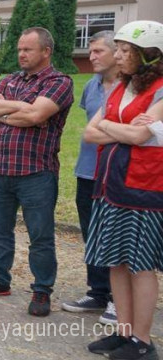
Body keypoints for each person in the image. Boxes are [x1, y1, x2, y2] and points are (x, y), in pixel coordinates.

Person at [0, 27, 74, 317]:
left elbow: (37, 115)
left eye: (28, 49)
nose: (22, 54)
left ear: (46, 51)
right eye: (19, 49)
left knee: (40, 235)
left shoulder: (59, 81)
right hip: (0, 170)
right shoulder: (10, 80)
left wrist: (8, 112)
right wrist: (21, 109)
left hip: (36, 173)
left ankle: (42, 290)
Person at [82, 20, 163, 359]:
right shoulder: (121, 87)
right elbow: (89, 132)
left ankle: (143, 342)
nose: (119, 56)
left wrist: (115, 128)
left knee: (140, 265)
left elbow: (140, 137)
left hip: (143, 190)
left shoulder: (159, 89)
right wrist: (125, 127)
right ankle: (123, 332)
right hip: (110, 186)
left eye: (126, 50)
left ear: (148, 55)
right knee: (115, 261)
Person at [62, 30, 119, 325]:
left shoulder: (131, 87)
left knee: (115, 236)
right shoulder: (92, 87)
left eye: (98, 52)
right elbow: (89, 130)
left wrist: (106, 133)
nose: (91, 56)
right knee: (92, 233)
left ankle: (117, 299)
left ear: (117, 53)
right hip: (87, 171)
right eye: (91, 51)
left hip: (118, 174)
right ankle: (98, 291)